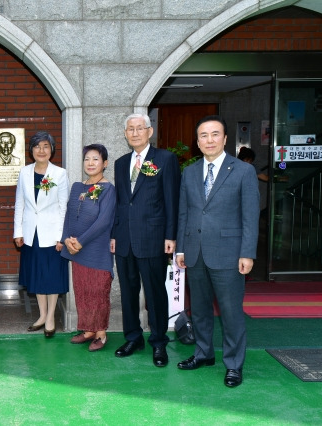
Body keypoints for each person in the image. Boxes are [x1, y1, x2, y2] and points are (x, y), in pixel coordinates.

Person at [176, 115, 259, 388]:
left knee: (231, 312)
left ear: (224, 139)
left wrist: (247, 253)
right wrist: (180, 248)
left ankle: (234, 364)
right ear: (197, 141)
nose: (209, 140)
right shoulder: (189, 172)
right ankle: (203, 353)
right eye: (203, 135)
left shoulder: (243, 171)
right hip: (195, 252)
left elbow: (250, 217)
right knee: (199, 310)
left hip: (229, 254)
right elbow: (184, 213)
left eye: (214, 134)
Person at [110, 113, 180, 367]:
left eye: (140, 128)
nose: (135, 133)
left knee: (154, 293)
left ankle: (159, 341)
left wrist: (171, 236)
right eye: (130, 129)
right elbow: (120, 204)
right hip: (125, 240)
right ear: (125, 134)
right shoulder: (120, 163)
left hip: (153, 238)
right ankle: (133, 337)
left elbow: (172, 200)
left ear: (150, 131)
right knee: (128, 292)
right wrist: (115, 235)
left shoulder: (165, 159)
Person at [14, 131, 69, 338]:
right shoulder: (24, 172)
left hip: (52, 233)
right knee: (37, 275)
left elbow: (64, 206)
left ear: (52, 149)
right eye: (37, 146)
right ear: (31, 150)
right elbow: (20, 203)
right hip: (31, 233)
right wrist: (18, 231)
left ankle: (51, 317)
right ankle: (42, 315)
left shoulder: (60, 174)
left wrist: (61, 236)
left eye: (46, 146)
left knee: (52, 275)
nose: (41, 150)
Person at [61, 144, 116, 351]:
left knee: (98, 291)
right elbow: (68, 215)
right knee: (82, 290)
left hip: (96, 250)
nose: (90, 163)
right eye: (87, 159)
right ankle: (88, 330)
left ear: (105, 163)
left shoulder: (108, 189)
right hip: (76, 250)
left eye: (95, 159)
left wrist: (80, 241)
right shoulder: (77, 187)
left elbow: (103, 222)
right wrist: (66, 239)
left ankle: (100, 332)